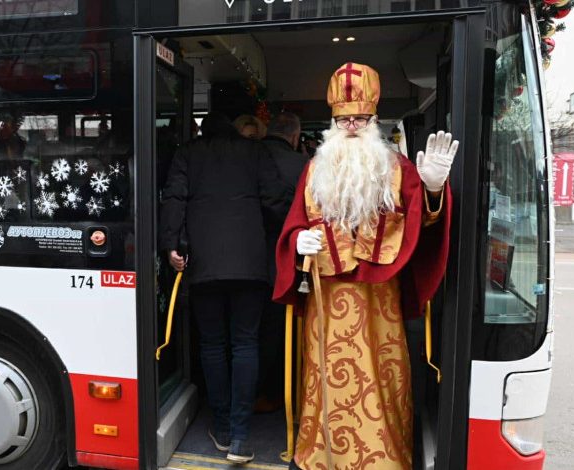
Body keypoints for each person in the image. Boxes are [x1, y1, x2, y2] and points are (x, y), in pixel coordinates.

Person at [273, 63, 457, 470]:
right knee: (325, 379)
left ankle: (382, 459)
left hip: (380, 299)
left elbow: (424, 226)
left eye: (360, 118)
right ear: (333, 123)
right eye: (344, 120)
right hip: (327, 297)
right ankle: (321, 456)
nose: (352, 126)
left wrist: (432, 188)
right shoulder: (314, 169)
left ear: (374, 120)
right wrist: (297, 242)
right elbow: (295, 223)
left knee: (381, 376)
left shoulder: (397, 168)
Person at [160, 112, 290, 464]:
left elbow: (174, 199)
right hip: (250, 264)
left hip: (203, 264)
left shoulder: (188, 153)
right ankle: (241, 436)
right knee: (246, 343)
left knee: (213, 345)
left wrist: (171, 246)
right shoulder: (256, 152)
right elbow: (276, 203)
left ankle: (221, 428)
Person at [256, 112, 306, 412]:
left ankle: (247, 394)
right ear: (295, 137)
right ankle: (275, 393)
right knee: (278, 330)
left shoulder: (248, 157)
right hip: (283, 258)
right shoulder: (303, 165)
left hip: (245, 257)